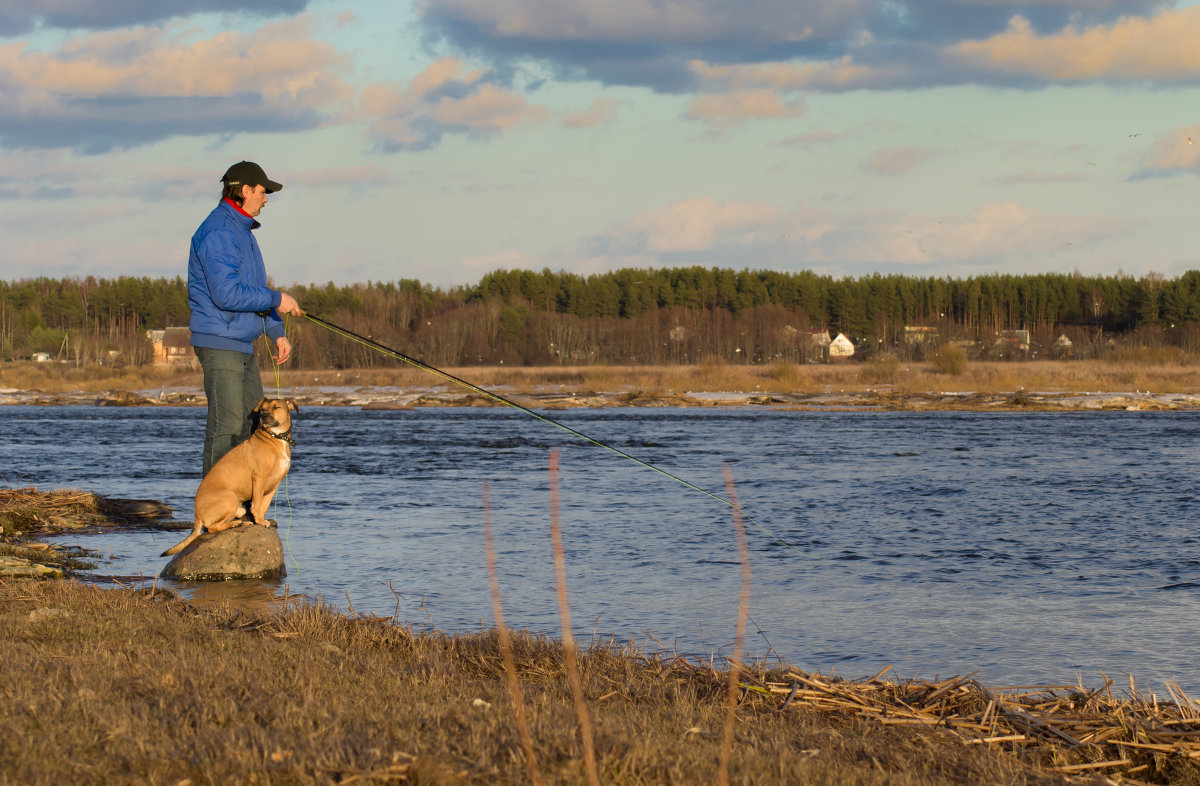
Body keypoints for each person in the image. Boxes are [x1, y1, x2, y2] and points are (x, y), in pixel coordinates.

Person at [188, 161, 304, 476]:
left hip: (241, 343)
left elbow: (252, 292)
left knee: (253, 423)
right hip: (219, 341)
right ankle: (218, 507)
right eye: (263, 192)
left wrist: (276, 331)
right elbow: (227, 295)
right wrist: (278, 298)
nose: (266, 199)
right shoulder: (218, 232)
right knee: (226, 425)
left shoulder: (242, 232)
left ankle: (243, 507)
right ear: (244, 191)